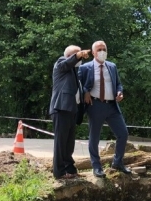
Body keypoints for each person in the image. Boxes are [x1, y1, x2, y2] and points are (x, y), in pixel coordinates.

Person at [78, 40, 132, 178]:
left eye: (104, 49)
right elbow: (78, 84)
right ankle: (96, 166)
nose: (102, 52)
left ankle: (117, 163)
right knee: (94, 137)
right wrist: (85, 91)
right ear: (93, 52)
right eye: (99, 49)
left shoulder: (112, 66)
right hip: (95, 105)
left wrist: (120, 92)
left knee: (123, 133)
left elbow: (118, 84)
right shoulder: (85, 68)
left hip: (112, 106)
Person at [49, 45, 90, 179]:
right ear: (69, 56)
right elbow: (66, 63)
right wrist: (78, 55)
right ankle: (59, 173)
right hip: (61, 108)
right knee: (61, 143)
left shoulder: (74, 71)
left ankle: (70, 170)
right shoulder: (60, 63)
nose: (80, 58)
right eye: (77, 55)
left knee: (69, 143)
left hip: (71, 109)